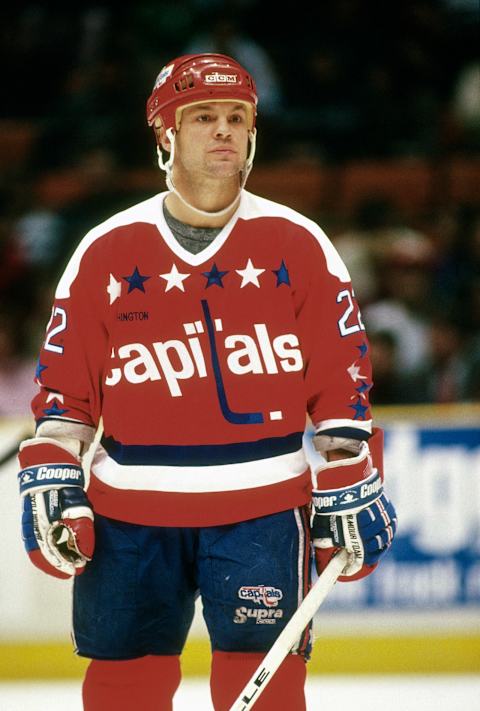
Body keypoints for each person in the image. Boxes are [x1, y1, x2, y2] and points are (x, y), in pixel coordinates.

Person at [16, 54, 397, 710]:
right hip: (129, 515)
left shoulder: (299, 243)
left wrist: (349, 468)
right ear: (165, 133)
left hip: (263, 512)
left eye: (237, 118)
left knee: (271, 692)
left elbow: (342, 386)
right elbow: (66, 398)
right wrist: (53, 473)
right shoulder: (105, 250)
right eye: (203, 118)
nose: (224, 131)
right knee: (121, 691)